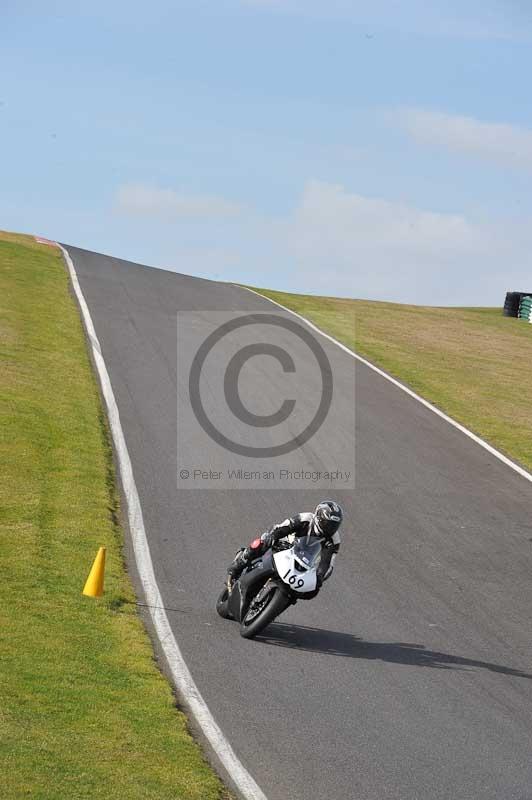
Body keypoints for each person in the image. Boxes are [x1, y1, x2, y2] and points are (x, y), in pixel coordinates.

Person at [227, 500, 343, 588]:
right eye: (327, 524)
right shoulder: (306, 518)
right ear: (318, 517)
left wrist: (320, 577)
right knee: (263, 542)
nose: (330, 528)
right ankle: (240, 562)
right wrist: (273, 535)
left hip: (306, 561)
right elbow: (284, 527)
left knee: (312, 586)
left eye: (333, 526)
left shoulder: (334, 540)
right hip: (286, 543)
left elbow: (327, 563)